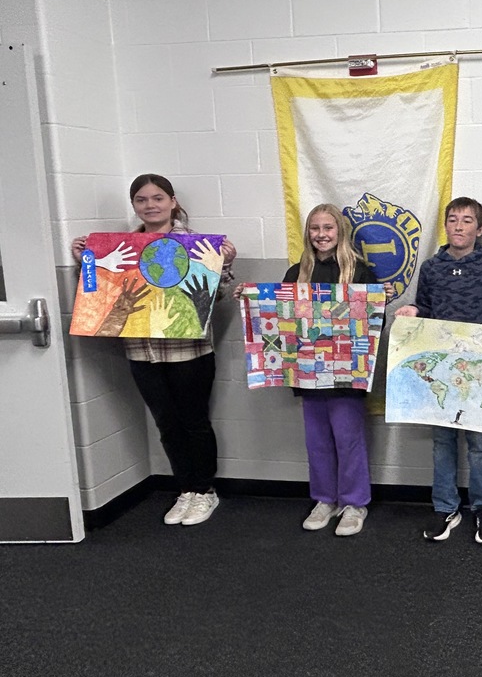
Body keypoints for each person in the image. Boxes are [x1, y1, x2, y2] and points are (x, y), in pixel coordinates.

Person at [71, 174, 236, 526]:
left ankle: (205, 491)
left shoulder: (196, 244)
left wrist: (222, 265)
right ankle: (185, 489)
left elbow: (213, 299)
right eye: (142, 200)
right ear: (134, 206)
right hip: (141, 352)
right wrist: (86, 262)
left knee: (194, 421)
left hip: (188, 352)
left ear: (173, 201)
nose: (151, 205)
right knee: (166, 423)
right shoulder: (122, 248)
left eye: (158, 198)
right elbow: (98, 297)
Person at [395, 197, 482, 545]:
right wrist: (412, 310)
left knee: (480, 443)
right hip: (442, 368)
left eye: (467, 221)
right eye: (452, 219)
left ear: (479, 229)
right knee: (442, 441)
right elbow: (423, 305)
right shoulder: (431, 267)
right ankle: (445, 507)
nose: (458, 226)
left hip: (477, 369)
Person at [275, 204, 391, 536]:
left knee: (348, 437)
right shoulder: (296, 273)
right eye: (315, 228)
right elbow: (282, 320)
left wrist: (379, 303)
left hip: (346, 374)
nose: (321, 235)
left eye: (328, 228)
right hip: (309, 374)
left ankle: (355, 503)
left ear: (339, 232)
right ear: (308, 232)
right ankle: (325, 498)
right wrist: (250, 300)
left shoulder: (360, 273)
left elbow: (374, 325)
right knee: (317, 441)